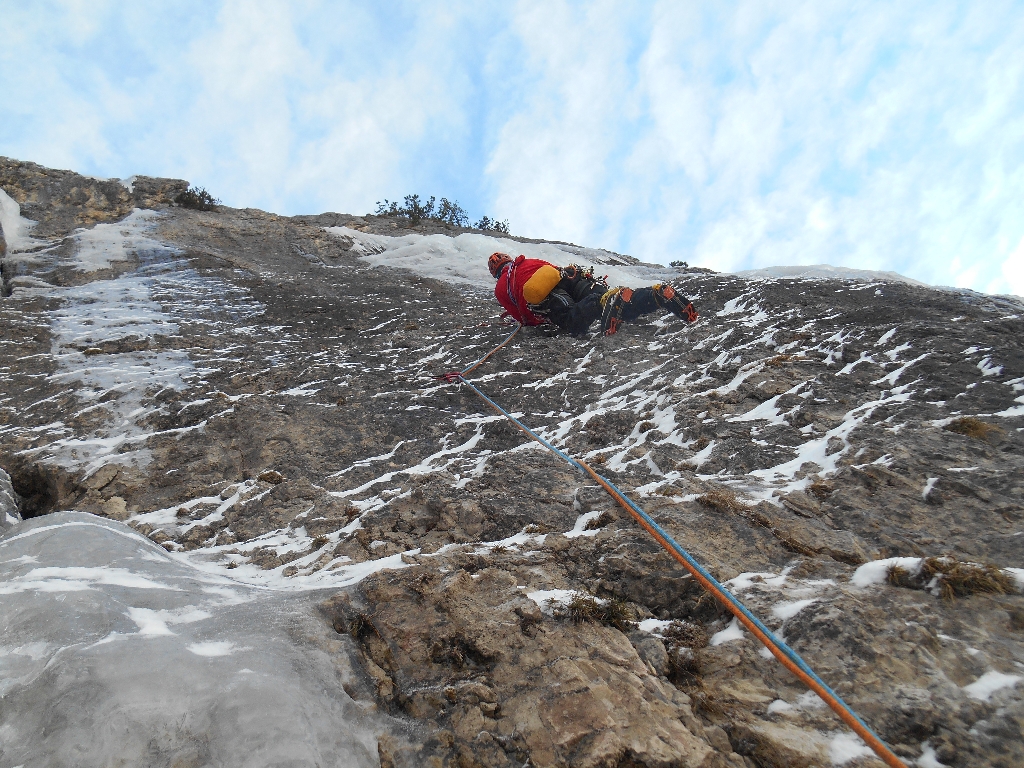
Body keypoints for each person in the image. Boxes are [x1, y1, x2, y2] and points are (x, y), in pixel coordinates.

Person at [487, 252, 698, 336]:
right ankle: (654, 295)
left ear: (495, 272)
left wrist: (535, 321)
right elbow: (554, 270)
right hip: (571, 279)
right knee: (623, 304)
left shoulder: (500, 288)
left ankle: (603, 302)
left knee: (573, 321)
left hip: (551, 296)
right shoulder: (527, 261)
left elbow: (521, 316)